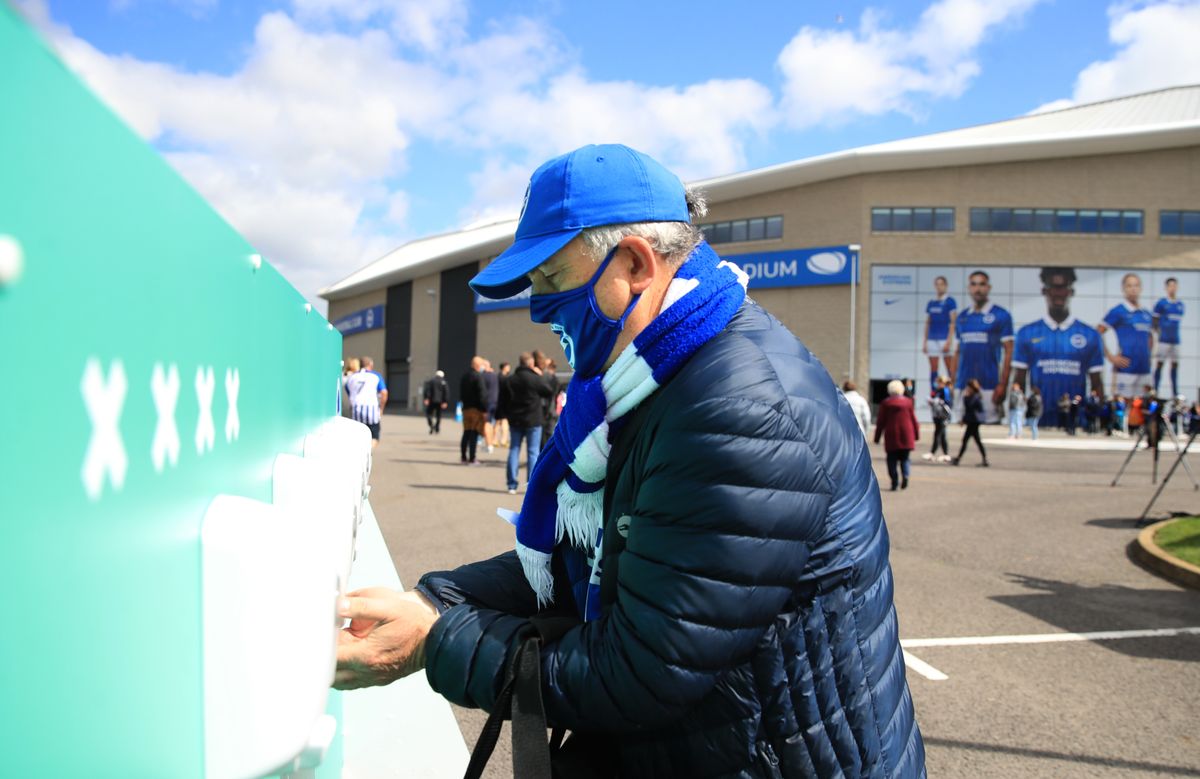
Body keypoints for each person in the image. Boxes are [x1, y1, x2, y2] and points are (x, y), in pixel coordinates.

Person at [333, 144, 924, 777]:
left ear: (636, 263)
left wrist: (432, 642)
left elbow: (640, 671)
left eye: (552, 280)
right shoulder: (645, 378)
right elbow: (602, 557)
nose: (535, 308)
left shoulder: (736, 407)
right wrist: (435, 603)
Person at [1011, 267, 1105, 430]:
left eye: (1063, 287)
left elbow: (1097, 383)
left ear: (1071, 291)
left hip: (1077, 424)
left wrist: (1100, 419)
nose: (1058, 293)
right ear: (1044, 290)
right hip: (1038, 422)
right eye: (1053, 287)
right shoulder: (1027, 333)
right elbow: (1019, 381)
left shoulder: (1089, 335)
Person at [954, 270, 1013, 423]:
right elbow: (957, 351)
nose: (977, 289)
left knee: (989, 429)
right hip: (962, 385)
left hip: (989, 385)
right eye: (973, 284)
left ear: (988, 287)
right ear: (969, 288)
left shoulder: (1001, 315)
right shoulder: (962, 316)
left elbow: (1009, 351)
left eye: (981, 284)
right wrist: (954, 382)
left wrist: (1003, 384)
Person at [503, 352, 555, 495]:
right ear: (531, 364)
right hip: (533, 420)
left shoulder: (511, 379)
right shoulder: (534, 378)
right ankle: (530, 484)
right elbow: (548, 391)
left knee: (514, 449)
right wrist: (538, 376)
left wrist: (507, 415)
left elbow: (504, 400)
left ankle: (511, 484)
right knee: (533, 452)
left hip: (515, 420)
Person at [1098, 272, 1154, 399]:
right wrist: (1111, 357)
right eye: (1129, 286)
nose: (1133, 289)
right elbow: (1097, 333)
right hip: (1126, 369)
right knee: (1123, 408)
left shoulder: (1146, 313)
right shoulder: (1118, 311)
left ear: (1140, 288)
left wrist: (1149, 355)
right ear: (1123, 289)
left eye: (1136, 285)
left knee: (1143, 410)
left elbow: (1150, 336)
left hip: (1144, 369)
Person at [874, 379, 920, 491]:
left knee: (891, 460)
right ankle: (905, 475)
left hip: (892, 435)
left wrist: (877, 437)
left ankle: (894, 482)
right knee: (905, 458)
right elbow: (914, 420)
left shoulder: (886, 403)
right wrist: (916, 434)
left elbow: (881, 422)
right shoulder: (908, 402)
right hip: (907, 434)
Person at [344, 356, 387, 448]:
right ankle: (368, 451)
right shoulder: (376, 376)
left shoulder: (352, 377)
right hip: (372, 411)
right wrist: (381, 408)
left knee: (357, 436)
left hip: (356, 411)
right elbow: (384, 393)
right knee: (374, 436)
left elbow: (349, 392)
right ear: (371, 365)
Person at [923, 275, 957, 391]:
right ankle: (934, 392)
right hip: (932, 338)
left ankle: (952, 391)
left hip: (944, 338)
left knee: (950, 367)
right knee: (933, 367)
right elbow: (928, 322)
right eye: (937, 284)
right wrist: (925, 342)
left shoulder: (950, 301)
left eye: (941, 284)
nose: (939, 287)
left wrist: (949, 341)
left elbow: (953, 322)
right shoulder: (931, 303)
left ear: (945, 286)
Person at [1153, 277, 1185, 398]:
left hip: (1176, 340)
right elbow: (1154, 320)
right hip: (1164, 340)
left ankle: (1175, 392)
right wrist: (1158, 332)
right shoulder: (1161, 303)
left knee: (1175, 365)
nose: (1172, 288)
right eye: (1170, 286)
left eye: (1174, 285)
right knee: (1160, 364)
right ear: (1166, 288)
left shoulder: (1180, 305)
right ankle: (1155, 390)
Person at [952, 378, 988, 466]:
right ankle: (984, 459)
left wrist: (963, 420)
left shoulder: (974, 397)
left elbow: (970, 409)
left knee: (967, 440)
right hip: (973, 421)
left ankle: (958, 459)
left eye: (968, 387)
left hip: (973, 421)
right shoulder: (975, 396)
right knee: (976, 441)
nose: (967, 389)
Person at [458, 356, 487, 464]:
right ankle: (472, 457)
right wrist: (484, 409)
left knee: (466, 432)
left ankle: (463, 456)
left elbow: (461, 392)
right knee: (474, 433)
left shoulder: (464, 376)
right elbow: (482, 394)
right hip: (476, 409)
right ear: (478, 365)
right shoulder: (478, 377)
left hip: (466, 408)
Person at [925, 378, 952, 461]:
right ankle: (945, 454)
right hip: (937, 416)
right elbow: (932, 397)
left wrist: (939, 402)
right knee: (942, 435)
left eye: (938, 382)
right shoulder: (937, 390)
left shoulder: (945, 391)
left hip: (942, 416)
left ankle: (932, 453)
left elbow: (947, 403)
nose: (937, 384)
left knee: (937, 434)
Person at [421, 369, 449, 434]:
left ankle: (431, 425)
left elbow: (427, 390)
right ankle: (437, 427)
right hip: (440, 402)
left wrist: (426, 398)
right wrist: (445, 401)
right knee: (438, 415)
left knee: (429, 414)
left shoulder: (431, 381)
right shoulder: (444, 382)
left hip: (431, 401)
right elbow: (446, 392)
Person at [481, 359, 500, 453]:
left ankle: (489, 445)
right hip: (494, 402)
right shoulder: (494, 375)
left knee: (486, 424)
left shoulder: (483, 376)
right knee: (491, 424)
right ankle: (491, 442)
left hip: (487, 403)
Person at [494, 361, 512, 447]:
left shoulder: (497, 377)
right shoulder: (506, 378)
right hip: (504, 403)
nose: (509, 368)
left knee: (497, 422)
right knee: (504, 422)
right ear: (504, 367)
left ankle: (494, 440)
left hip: (497, 402)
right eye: (508, 366)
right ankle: (503, 440)